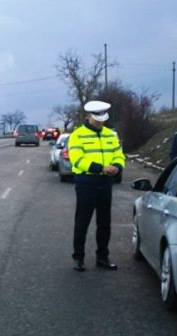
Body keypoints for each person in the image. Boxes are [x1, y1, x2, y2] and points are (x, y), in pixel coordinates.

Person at [68, 100, 125, 271]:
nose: (101, 122)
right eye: (97, 119)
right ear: (88, 116)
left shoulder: (110, 134)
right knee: (82, 222)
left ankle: (102, 257)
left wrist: (118, 166)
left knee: (104, 223)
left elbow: (118, 154)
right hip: (86, 182)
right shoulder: (77, 135)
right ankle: (79, 257)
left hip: (106, 183)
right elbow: (78, 159)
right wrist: (100, 168)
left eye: (103, 119)